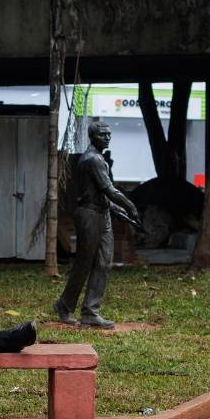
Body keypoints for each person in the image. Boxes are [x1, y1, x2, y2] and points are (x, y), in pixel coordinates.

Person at [54, 120, 139, 329]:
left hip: (102, 213)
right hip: (89, 215)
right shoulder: (92, 159)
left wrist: (118, 211)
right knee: (85, 262)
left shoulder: (99, 158)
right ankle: (65, 305)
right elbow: (109, 190)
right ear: (93, 137)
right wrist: (130, 206)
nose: (107, 137)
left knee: (103, 262)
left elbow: (102, 195)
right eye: (103, 135)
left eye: (109, 134)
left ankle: (91, 311)